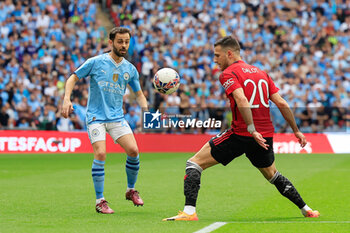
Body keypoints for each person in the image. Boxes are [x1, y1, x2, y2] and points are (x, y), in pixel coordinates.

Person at [163, 36, 320, 221]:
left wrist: (251, 128)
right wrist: (296, 130)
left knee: (194, 164)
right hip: (266, 135)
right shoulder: (261, 73)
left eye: (217, 55)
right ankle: (307, 209)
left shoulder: (229, 73)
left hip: (242, 134)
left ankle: (189, 212)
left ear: (229, 54)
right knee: (273, 175)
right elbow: (281, 102)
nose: (215, 60)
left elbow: (241, 99)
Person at [62, 27, 148, 214]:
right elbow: (72, 78)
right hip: (96, 117)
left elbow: (139, 94)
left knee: (133, 150)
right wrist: (66, 99)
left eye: (126, 41)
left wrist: (146, 110)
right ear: (111, 42)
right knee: (101, 154)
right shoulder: (96, 62)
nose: (124, 45)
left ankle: (130, 189)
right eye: (120, 41)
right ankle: (100, 201)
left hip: (117, 117)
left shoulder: (130, 69)